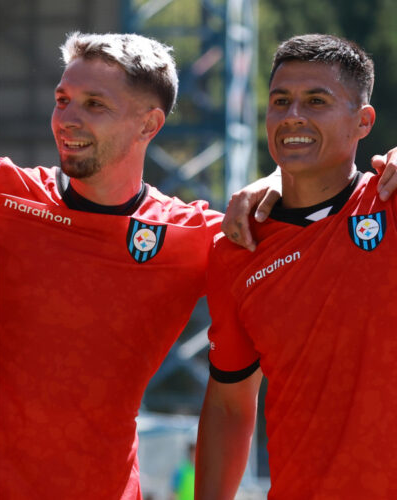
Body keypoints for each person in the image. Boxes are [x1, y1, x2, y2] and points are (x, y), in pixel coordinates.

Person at [0, 31, 397, 499]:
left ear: (149, 125)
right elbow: (229, 402)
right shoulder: (8, 192)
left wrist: (272, 178)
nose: (68, 119)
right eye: (63, 100)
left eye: (94, 105)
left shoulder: (204, 237)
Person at [196, 34, 397, 499]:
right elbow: (229, 404)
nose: (293, 117)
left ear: (363, 121)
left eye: (316, 101)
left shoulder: (388, 202)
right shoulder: (237, 248)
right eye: (280, 101)